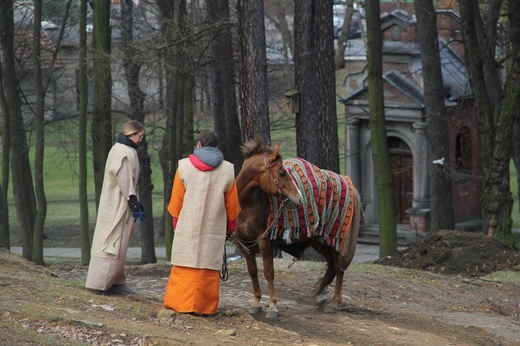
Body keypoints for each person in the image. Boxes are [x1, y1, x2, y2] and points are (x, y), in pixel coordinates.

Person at [163, 129, 241, 316]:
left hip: (188, 227)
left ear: (199, 144)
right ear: (215, 146)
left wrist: (176, 225)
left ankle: (179, 303)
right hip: (213, 229)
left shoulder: (183, 167)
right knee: (207, 266)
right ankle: (205, 307)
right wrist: (230, 230)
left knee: (185, 264)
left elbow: (176, 202)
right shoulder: (228, 169)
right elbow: (233, 207)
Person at [85, 120, 145, 295]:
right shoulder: (123, 153)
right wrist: (133, 202)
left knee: (119, 242)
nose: (141, 139)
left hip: (119, 202)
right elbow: (125, 179)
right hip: (119, 204)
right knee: (113, 241)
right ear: (131, 134)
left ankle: (116, 281)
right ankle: (100, 283)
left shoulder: (123, 150)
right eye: (140, 136)